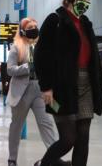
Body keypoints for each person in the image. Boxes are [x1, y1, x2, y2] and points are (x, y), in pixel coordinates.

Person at [34, 0, 102, 166]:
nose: (87, 2)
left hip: (86, 84)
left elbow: (93, 57)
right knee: (68, 138)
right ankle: (45, 164)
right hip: (61, 87)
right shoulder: (55, 20)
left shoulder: (85, 23)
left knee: (83, 138)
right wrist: (46, 87)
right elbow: (41, 56)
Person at [6, 18, 70, 166]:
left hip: (41, 89)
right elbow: (10, 69)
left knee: (47, 123)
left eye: (35, 26)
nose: (34, 29)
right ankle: (12, 159)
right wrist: (28, 67)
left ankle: (54, 158)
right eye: (30, 27)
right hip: (22, 90)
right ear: (22, 31)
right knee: (16, 126)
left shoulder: (44, 46)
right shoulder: (16, 47)